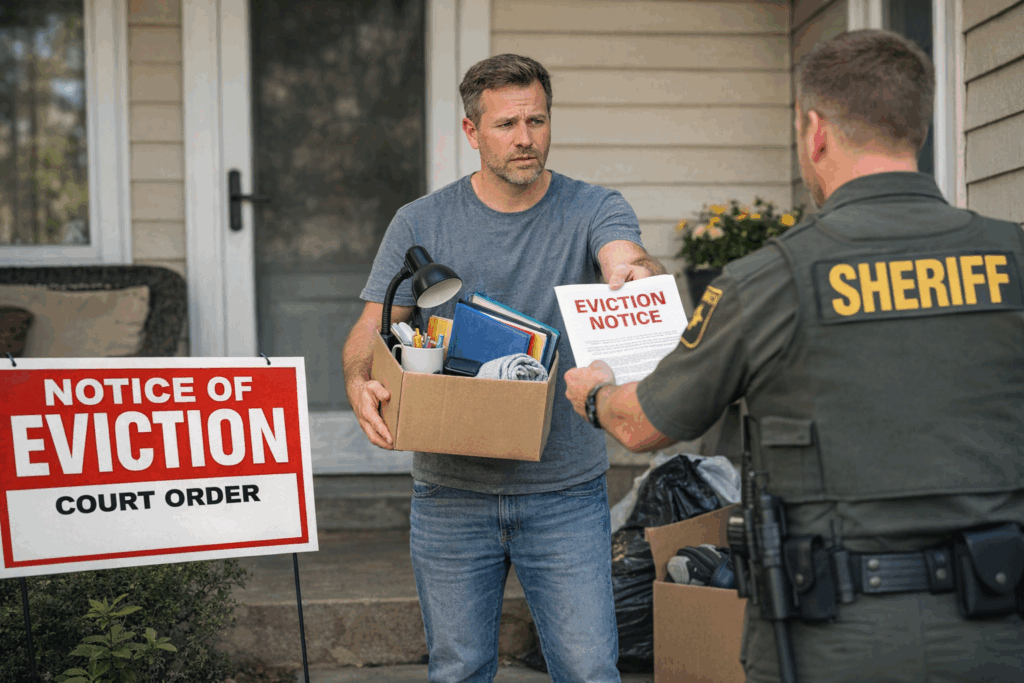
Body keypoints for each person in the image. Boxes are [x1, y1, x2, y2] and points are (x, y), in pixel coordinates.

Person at [565, 30, 1024, 683]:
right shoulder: (1013, 257)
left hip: (836, 636)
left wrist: (593, 390)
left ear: (815, 132)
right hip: (999, 623)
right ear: (916, 127)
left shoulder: (769, 280)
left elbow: (643, 424)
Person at [342, 53, 665, 683]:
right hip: (451, 492)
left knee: (590, 667)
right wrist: (360, 381)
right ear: (471, 132)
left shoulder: (592, 206)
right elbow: (366, 331)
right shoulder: (421, 221)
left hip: (565, 490)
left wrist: (635, 275)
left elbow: (625, 255)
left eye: (537, 121)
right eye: (506, 124)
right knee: (459, 669)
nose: (525, 139)